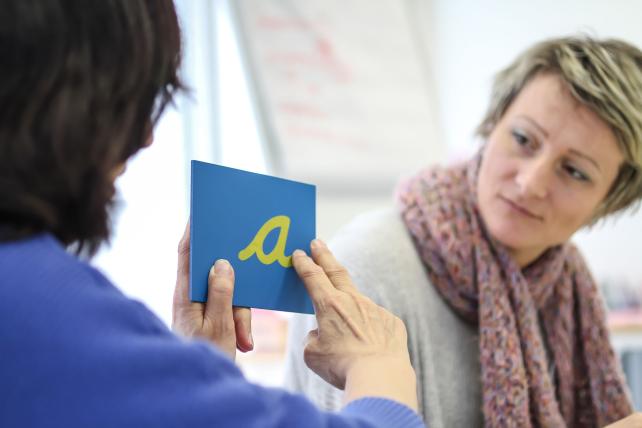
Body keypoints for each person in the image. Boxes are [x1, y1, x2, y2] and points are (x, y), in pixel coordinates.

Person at [0, 1, 425, 427]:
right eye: (135, 100)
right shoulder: (46, 315)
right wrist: (380, 364)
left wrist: (189, 383)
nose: (146, 137)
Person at [285, 36, 642, 427]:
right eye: (523, 139)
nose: (529, 182)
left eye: (574, 171)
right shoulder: (366, 267)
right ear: (492, 125)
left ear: (609, 203)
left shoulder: (565, 286)